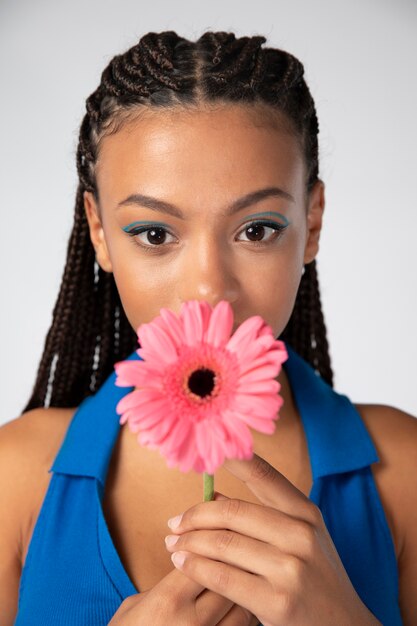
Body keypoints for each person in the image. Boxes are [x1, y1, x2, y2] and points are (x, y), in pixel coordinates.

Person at [1, 29, 415, 626]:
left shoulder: (405, 471)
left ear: (313, 222)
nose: (206, 287)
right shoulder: (14, 477)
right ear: (99, 232)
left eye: (256, 229)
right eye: (154, 234)